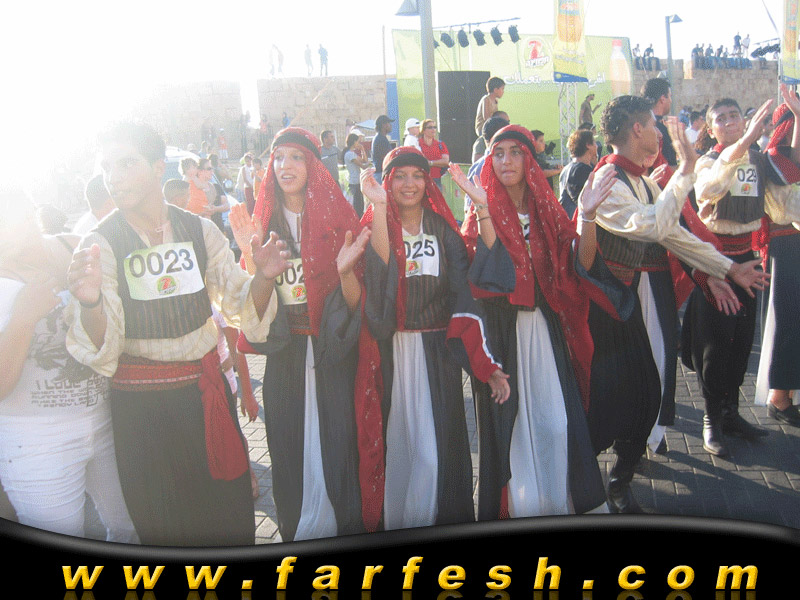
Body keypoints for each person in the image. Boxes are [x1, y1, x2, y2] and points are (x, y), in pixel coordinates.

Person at [65, 121, 285, 546]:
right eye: (107, 167)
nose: (114, 177)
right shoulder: (99, 243)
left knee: (228, 519)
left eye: (127, 164)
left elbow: (238, 303)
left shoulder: (199, 230)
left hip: (205, 398)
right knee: (165, 528)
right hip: (142, 413)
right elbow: (101, 347)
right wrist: (90, 302)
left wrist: (263, 276)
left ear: (156, 167)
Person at [588, 97, 766, 511]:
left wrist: (726, 269)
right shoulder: (606, 180)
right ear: (637, 129)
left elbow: (676, 235)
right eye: (652, 124)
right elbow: (653, 226)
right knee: (622, 390)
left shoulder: (644, 181)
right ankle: (607, 479)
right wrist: (685, 170)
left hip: (652, 294)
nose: (657, 132)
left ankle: (622, 473)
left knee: (653, 385)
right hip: (621, 303)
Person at [451, 125, 633, 520]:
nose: (506, 161)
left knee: (555, 423)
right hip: (501, 334)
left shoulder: (546, 208)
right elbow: (482, 275)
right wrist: (482, 209)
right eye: (499, 153)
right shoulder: (480, 207)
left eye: (515, 152)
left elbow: (581, 264)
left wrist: (587, 216)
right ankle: (521, 510)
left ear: (529, 159)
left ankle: (559, 502)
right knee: (512, 429)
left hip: (546, 330)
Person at [232, 127, 374, 541]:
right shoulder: (262, 225)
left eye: (296, 157)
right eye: (279, 158)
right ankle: (297, 532)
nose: (286, 166)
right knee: (286, 444)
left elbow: (355, 303)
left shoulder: (338, 217)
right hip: (286, 354)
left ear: (313, 165)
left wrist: (345, 274)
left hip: (332, 351)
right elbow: (253, 310)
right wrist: (254, 264)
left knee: (340, 441)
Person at [358, 148, 508, 530]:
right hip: (393, 352)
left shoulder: (442, 229)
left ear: (428, 182)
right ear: (387, 182)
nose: (409, 184)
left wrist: (485, 364)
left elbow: (468, 288)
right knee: (399, 444)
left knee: (435, 448)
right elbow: (377, 277)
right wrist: (377, 206)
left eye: (417, 175)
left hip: (437, 353)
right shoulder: (378, 224)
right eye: (399, 176)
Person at [0, 191, 138, 543]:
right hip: (35, 440)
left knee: (133, 527)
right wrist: (22, 319)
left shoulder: (74, 246)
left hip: (106, 418)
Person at [685, 88, 800, 455]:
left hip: (749, 261)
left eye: (734, 115)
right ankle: (711, 420)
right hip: (715, 262)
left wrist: (797, 119)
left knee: (740, 343)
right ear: (711, 129)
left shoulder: (758, 161)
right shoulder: (707, 162)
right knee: (714, 346)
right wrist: (748, 139)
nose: (730, 122)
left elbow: (784, 200)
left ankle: (731, 413)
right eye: (721, 119)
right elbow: (710, 189)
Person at [755, 99, 800, 426]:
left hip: (791, 248)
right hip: (785, 251)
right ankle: (779, 396)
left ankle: (787, 394)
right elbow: (791, 204)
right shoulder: (773, 159)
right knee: (787, 323)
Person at [559, 129, 597, 218]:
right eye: (594, 142)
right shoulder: (580, 170)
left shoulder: (568, 168)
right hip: (576, 220)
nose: (597, 146)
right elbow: (585, 202)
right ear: (588, 145)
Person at [642, 78, 676, 167]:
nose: (671, 101)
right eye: (670, 96)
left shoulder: (642, 125)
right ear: (663, 99)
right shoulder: (661, 130)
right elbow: (669, 166)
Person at [343, 131, 370, 216]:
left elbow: (364, 160)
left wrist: (362, 150)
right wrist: (369, 164)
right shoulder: (349, 154)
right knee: (357, 206)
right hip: (354, 182)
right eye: (358, 141)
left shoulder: (352, 154)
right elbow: (363, 166)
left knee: (360, 204)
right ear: (354, 142)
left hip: (357, 181)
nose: (359, 143)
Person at [417, 119, 449, 190]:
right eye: (430, 127)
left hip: (437, 179)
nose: (433, 129)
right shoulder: (417, 144)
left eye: (434, 127)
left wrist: (430, 163)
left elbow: (445, 161)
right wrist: (437, 163)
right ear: (423, 130)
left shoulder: (440, 144)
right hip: (421, 179)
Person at [372, 115, 394, 183]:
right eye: (389, 123)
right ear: (384, 125)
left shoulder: (381, 137)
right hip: (380, 174)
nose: (391, 125)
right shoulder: (380, 139)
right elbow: (387, 157)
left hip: (381, 173)